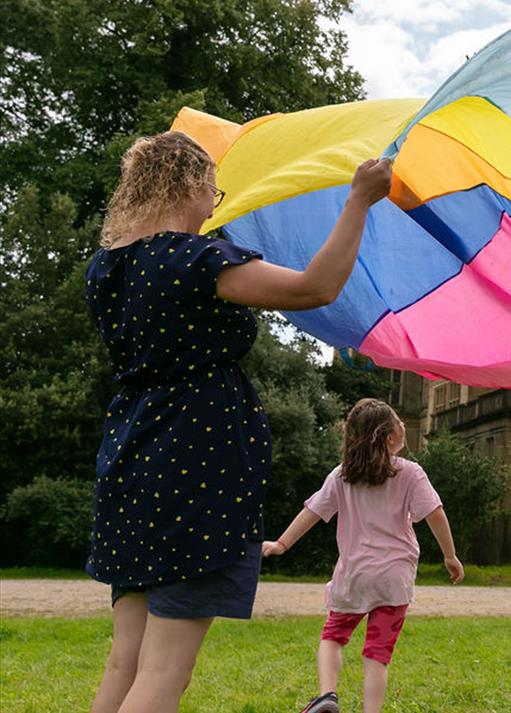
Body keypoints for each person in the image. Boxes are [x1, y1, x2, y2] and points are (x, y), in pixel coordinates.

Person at [85, 130, 392, 713]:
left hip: (129, 458)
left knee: (126, 660)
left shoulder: (106, 270)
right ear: (192, 185)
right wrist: (358, 200)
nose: (214, 204)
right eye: (214, 192)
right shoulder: (195, 260)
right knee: (165, 669)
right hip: (192, 468)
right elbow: (316, 287)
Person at [263, 398, 465, 713]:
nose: (402, 424)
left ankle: (327, 696)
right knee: (377, 655)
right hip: (393, 581)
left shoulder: (343, 476)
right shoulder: (410, 473)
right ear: (390, 437)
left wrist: (281, 544)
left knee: (332, 637)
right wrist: (450, 556)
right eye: (399, 420)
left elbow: (313, 512)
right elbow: (435, 514)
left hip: (354, 576)